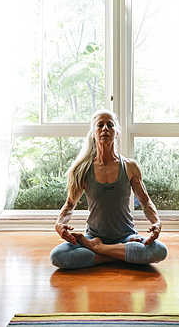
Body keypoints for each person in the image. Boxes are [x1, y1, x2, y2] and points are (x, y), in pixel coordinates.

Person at [50, 110, 168, 269]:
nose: (105, 128)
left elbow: (146, 202)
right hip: (93, 236)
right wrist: (59, 223)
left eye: (110, 125)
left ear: (117, 132)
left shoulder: (130, 166)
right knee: (58, 256)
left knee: (160, 250)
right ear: (93, 133)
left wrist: (156, 222)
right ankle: (120, 255)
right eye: (100, 125)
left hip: (126, 237)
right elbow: (70, 205)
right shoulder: (83, 169)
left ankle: (99, 250)